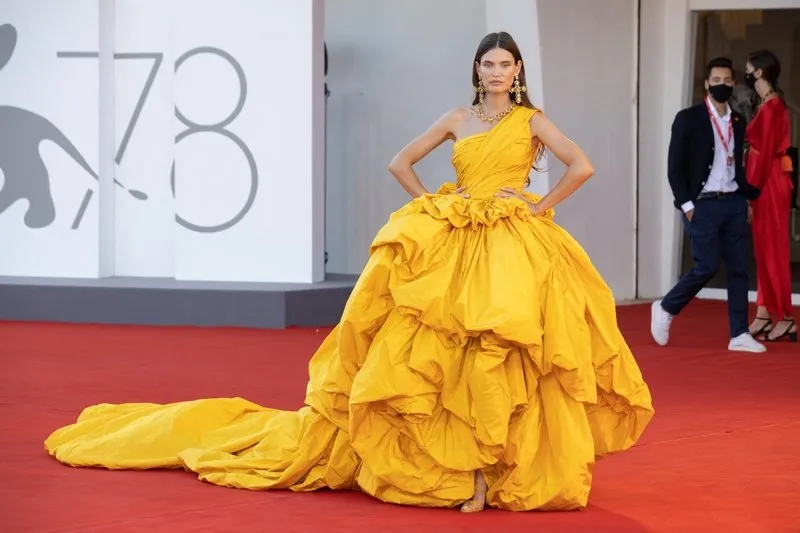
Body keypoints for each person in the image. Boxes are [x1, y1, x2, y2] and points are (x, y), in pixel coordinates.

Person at [44, 32, 654, 513]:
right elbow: (399, 162)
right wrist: (431, 202)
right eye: (488, 64)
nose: (497, 73)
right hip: (453, 233)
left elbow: (583, 166)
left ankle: (492, 472)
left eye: (505, 64)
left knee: (501, 350)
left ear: (518, 71)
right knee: (436, 352)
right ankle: (463, 474)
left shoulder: (532, 121)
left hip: (510, 241)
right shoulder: (457, 118)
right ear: (477, 71)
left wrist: (538, 207)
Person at [651, 57, 765, 353]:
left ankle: (739, 333)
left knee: (740, 269)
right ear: (706, 83)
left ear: (733, 83)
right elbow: (675, 168)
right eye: (717, 81)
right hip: (702, 204)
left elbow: (738, 165)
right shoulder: (688, 118)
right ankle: (665, 307)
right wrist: (687, 206)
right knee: (706, 266)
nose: (722, 86)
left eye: (728, 81)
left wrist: (749, 196)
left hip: (733, 202)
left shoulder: (738, 120)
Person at [745, 50, 797, 343]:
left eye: (749, 69)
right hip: (768, 181)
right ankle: (765, 312)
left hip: (768, 184)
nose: (747, 74)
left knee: (773, 250)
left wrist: (750, 192)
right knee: (764, 250)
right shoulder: (769, 105)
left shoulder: (771, 108)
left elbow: (764, 156)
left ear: (760, 73)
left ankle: (786, 317)